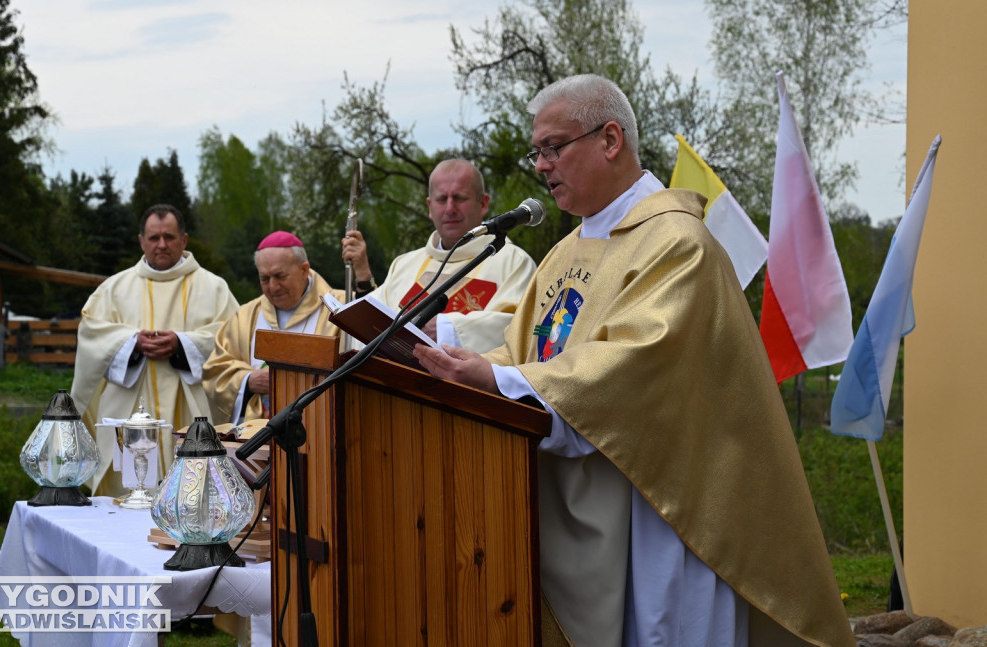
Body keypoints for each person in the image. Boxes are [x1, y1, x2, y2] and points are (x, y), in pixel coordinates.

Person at [414, 75, 854, 647]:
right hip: (592, 504)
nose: (541, 166)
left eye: (553, 147)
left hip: (666, 515)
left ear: (611, 138)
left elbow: (635, 365)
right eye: (537, 152)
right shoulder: (569, 249)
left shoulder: (677, 244)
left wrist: (500, 378)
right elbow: (530, 349)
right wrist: (461, 363)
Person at [71, 204, 239, 497]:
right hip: (129, 410)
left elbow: (233, 337)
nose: (162, 244)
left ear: (184, 240)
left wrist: (184, 344)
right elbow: (91, 336)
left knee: (193, 498)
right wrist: (130, 343)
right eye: (154, 237)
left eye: (170, 237)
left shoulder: (214, 288)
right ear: (141, 241)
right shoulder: (114, 288)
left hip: (190, 412)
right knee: (123, 502)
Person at [341, 158, 537, 353]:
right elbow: (367, 326)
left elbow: (518, 330)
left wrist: (444, 329)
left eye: (460, 198)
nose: (450, 209)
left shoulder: (514, 263)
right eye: (442, 199)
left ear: (483, 203)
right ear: (429, 206)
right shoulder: (404, 264)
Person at [203, 231, 343, 425]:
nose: (273, 287)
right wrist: (247, 381)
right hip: (257, 437)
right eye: (264, 279)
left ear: (304, 270)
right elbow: (215, 372)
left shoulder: (341, 307)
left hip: (319, 433)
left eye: (280, 276)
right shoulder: (244, 316)